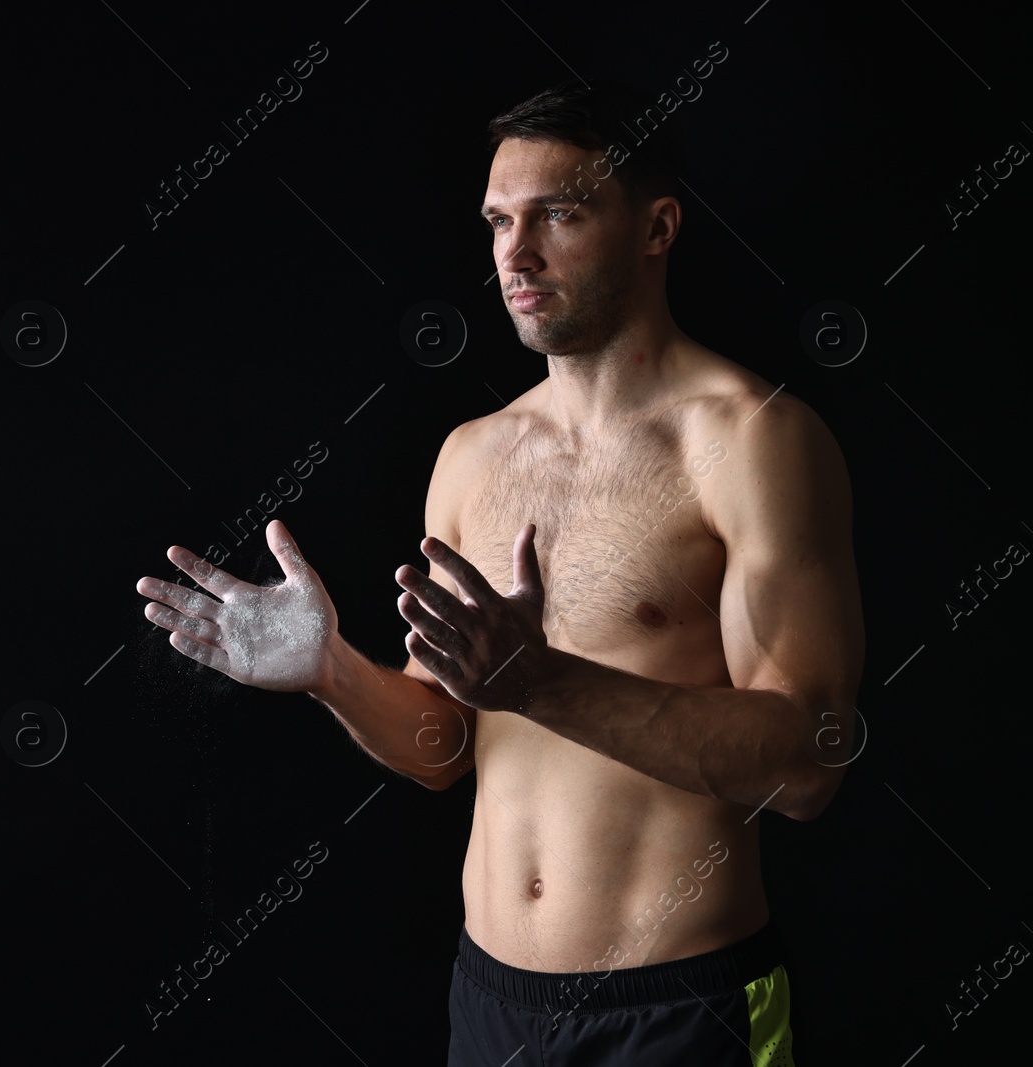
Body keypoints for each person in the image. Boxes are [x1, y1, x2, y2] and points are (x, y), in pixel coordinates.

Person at [135, 79, 862, 1065]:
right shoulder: (472, 456)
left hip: (685, 1009)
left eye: (558, 214)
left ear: (655, 227)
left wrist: (546, 681)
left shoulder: (750, 439)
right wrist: (333, 672)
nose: (513, 255)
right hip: (492, 1002)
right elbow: (444, 744)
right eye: (496, 222)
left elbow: (809, 762)